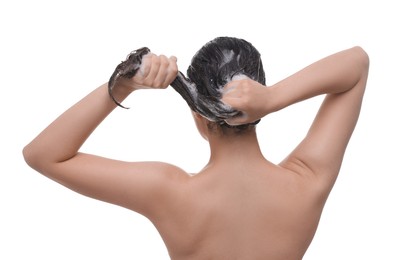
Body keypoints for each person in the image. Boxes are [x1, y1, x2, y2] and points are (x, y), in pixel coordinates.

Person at [23, 37, 369, 260]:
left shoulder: (168, 192)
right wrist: (275, 98)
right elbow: (356, 63)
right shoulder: (307, 182)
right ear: (258, 99)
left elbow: (43, 154)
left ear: (196, 112)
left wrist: (122, 85)